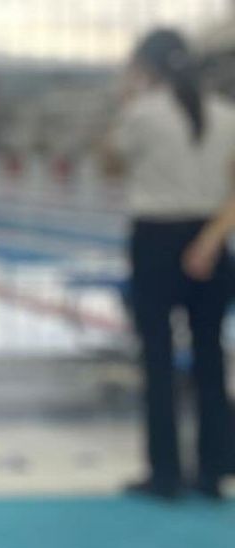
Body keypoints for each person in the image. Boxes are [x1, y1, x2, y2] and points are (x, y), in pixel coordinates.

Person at [102, 28, 235, 502]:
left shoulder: (142, 113)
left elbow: (109, 166)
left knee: (157, 359)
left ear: (146, 68)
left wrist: (124, 102)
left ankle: (165, 475)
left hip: (156, 241)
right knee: (209, 358)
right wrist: (209, 242)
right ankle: (213, 472)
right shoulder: (226, 114)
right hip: (211, 243)